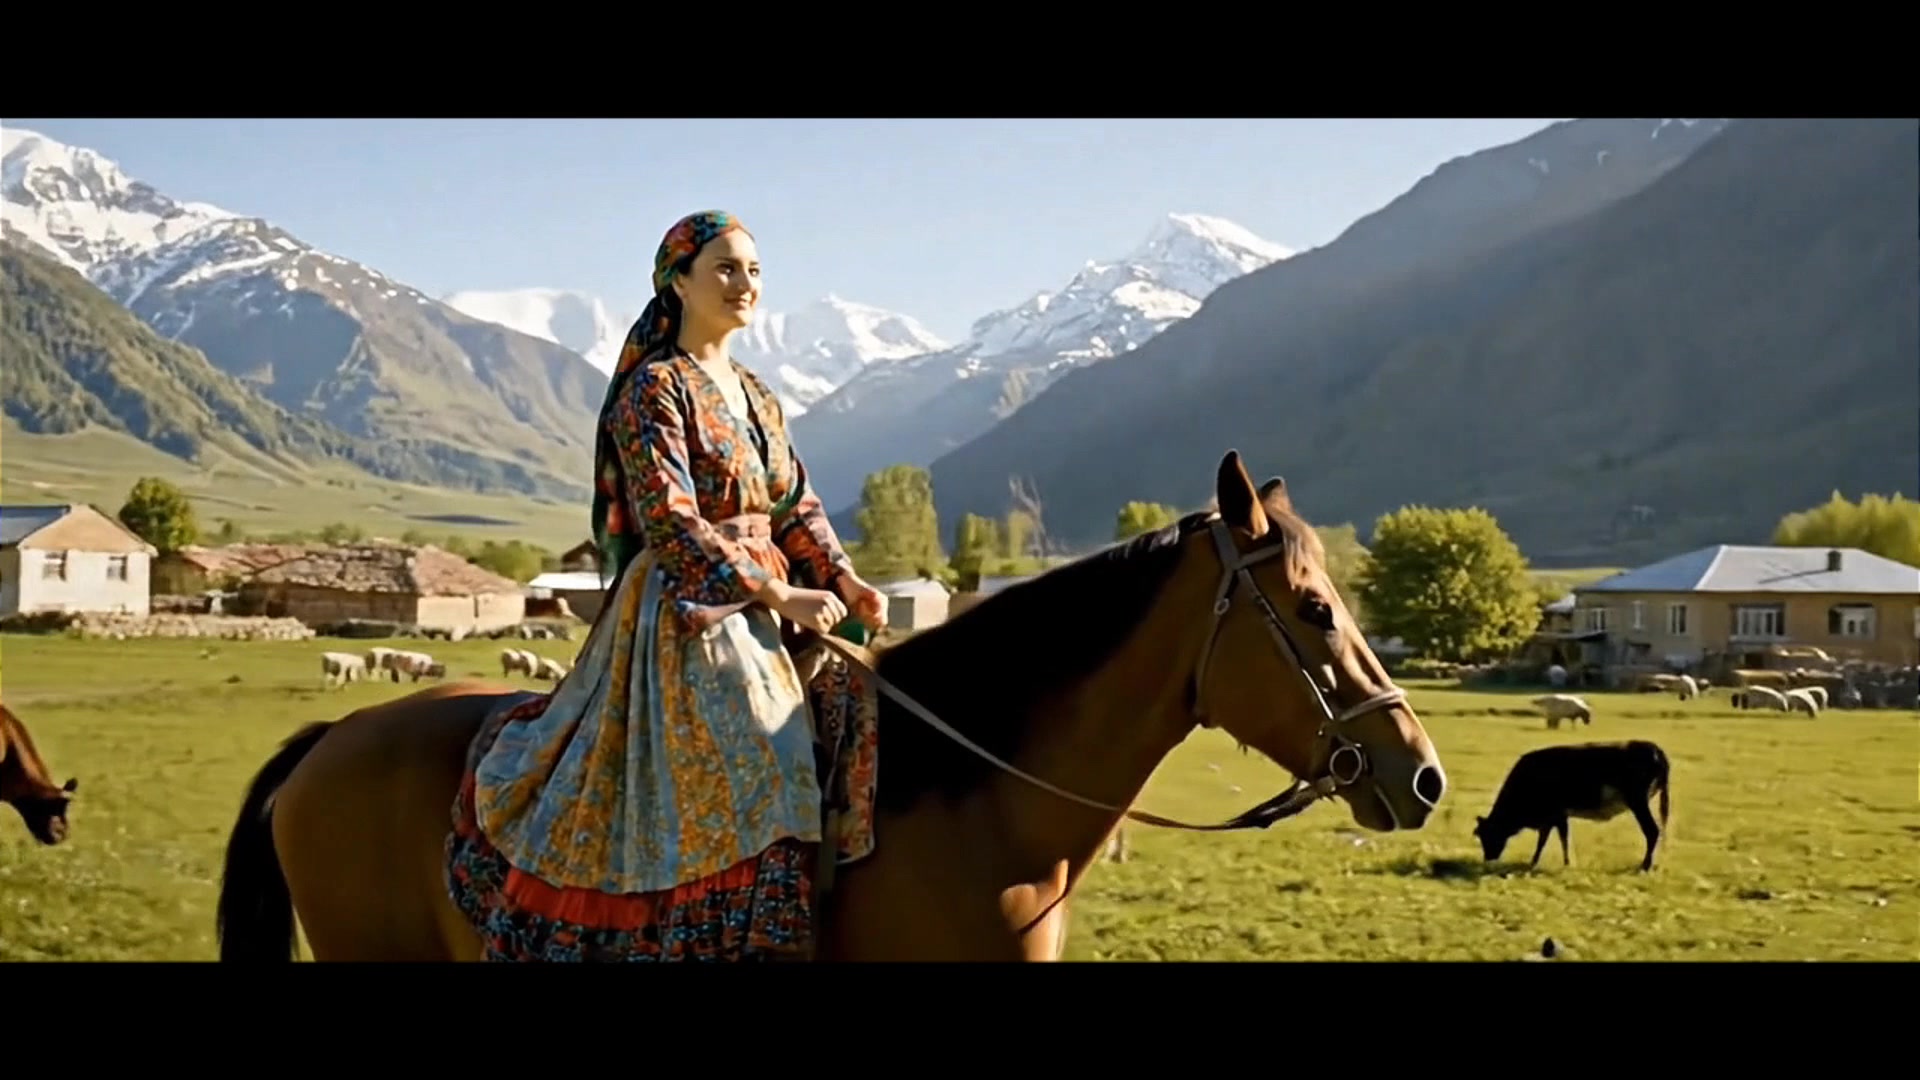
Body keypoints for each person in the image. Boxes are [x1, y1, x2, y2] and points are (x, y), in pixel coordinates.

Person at [453, 210, 890, 962]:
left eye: (753, 269)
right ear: (678, 282)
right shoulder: (651, 390)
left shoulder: (756, 392)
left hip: (776, 592)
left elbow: (792, 503)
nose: (744, 282)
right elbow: (671, 519)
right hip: (692, 605)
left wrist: (842, 577)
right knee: (765, 743)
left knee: (857, 697)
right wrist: (777, 596)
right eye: (724, 267)